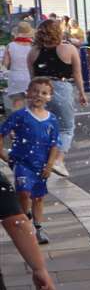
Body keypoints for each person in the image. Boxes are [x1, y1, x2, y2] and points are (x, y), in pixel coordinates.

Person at [0, 78, 63, 245]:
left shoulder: (52, 120)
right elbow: (2, 132)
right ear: (28, 93)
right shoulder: (19, 116)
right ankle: (25, 219)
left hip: (41, 164)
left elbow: (55, 144)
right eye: (35, 91)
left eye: (44, 93)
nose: (39, 95)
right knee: (23, 192)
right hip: (22, 163)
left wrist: (50, 165)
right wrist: (3, 154)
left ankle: (38, 227)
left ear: (49, 97)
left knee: (38, 197)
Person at [27, 18, 87, 178]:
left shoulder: (33, 52)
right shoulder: (69, 49)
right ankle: (58, 160)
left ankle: (39, 158)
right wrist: (82, 92)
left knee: (42, 125)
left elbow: (32, 76)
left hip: (38, 89)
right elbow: (77, 73)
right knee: (66, 127)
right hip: (61, 88)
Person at [5, 18, 36, 111]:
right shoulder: (33, 46)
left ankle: (18, 124)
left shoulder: (10, 46)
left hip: (15, 78)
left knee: (17, 106)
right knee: (31, 106)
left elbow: (5, 64)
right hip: (29, 77)